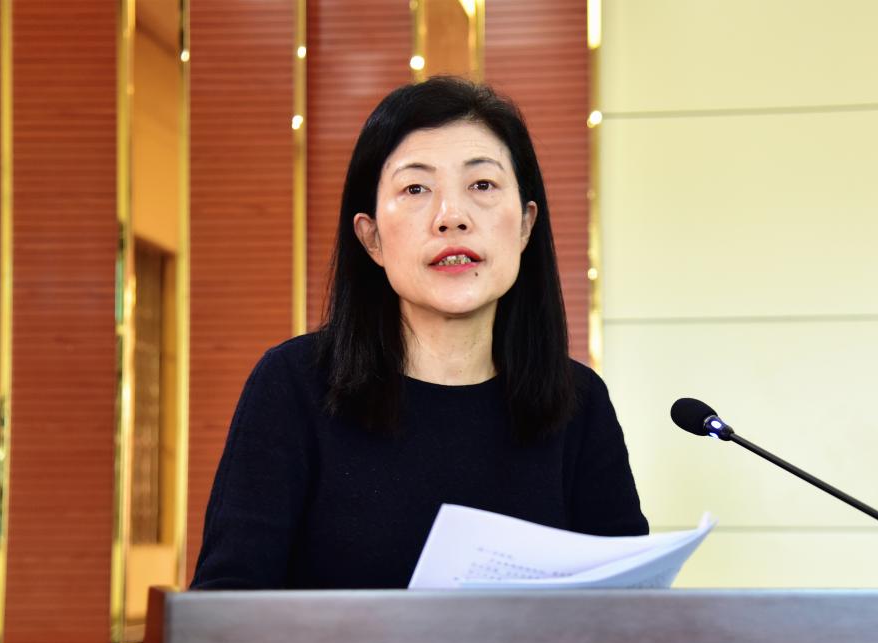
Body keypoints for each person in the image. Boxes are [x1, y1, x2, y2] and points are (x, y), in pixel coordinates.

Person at [190, 77, 648, 590]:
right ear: (370, 237)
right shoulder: (294, 386)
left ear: (525, 224)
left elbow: (630, 608)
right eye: (415, 189)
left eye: (482, 185)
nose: (451, 218)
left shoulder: (579, 402)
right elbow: (224, 609)